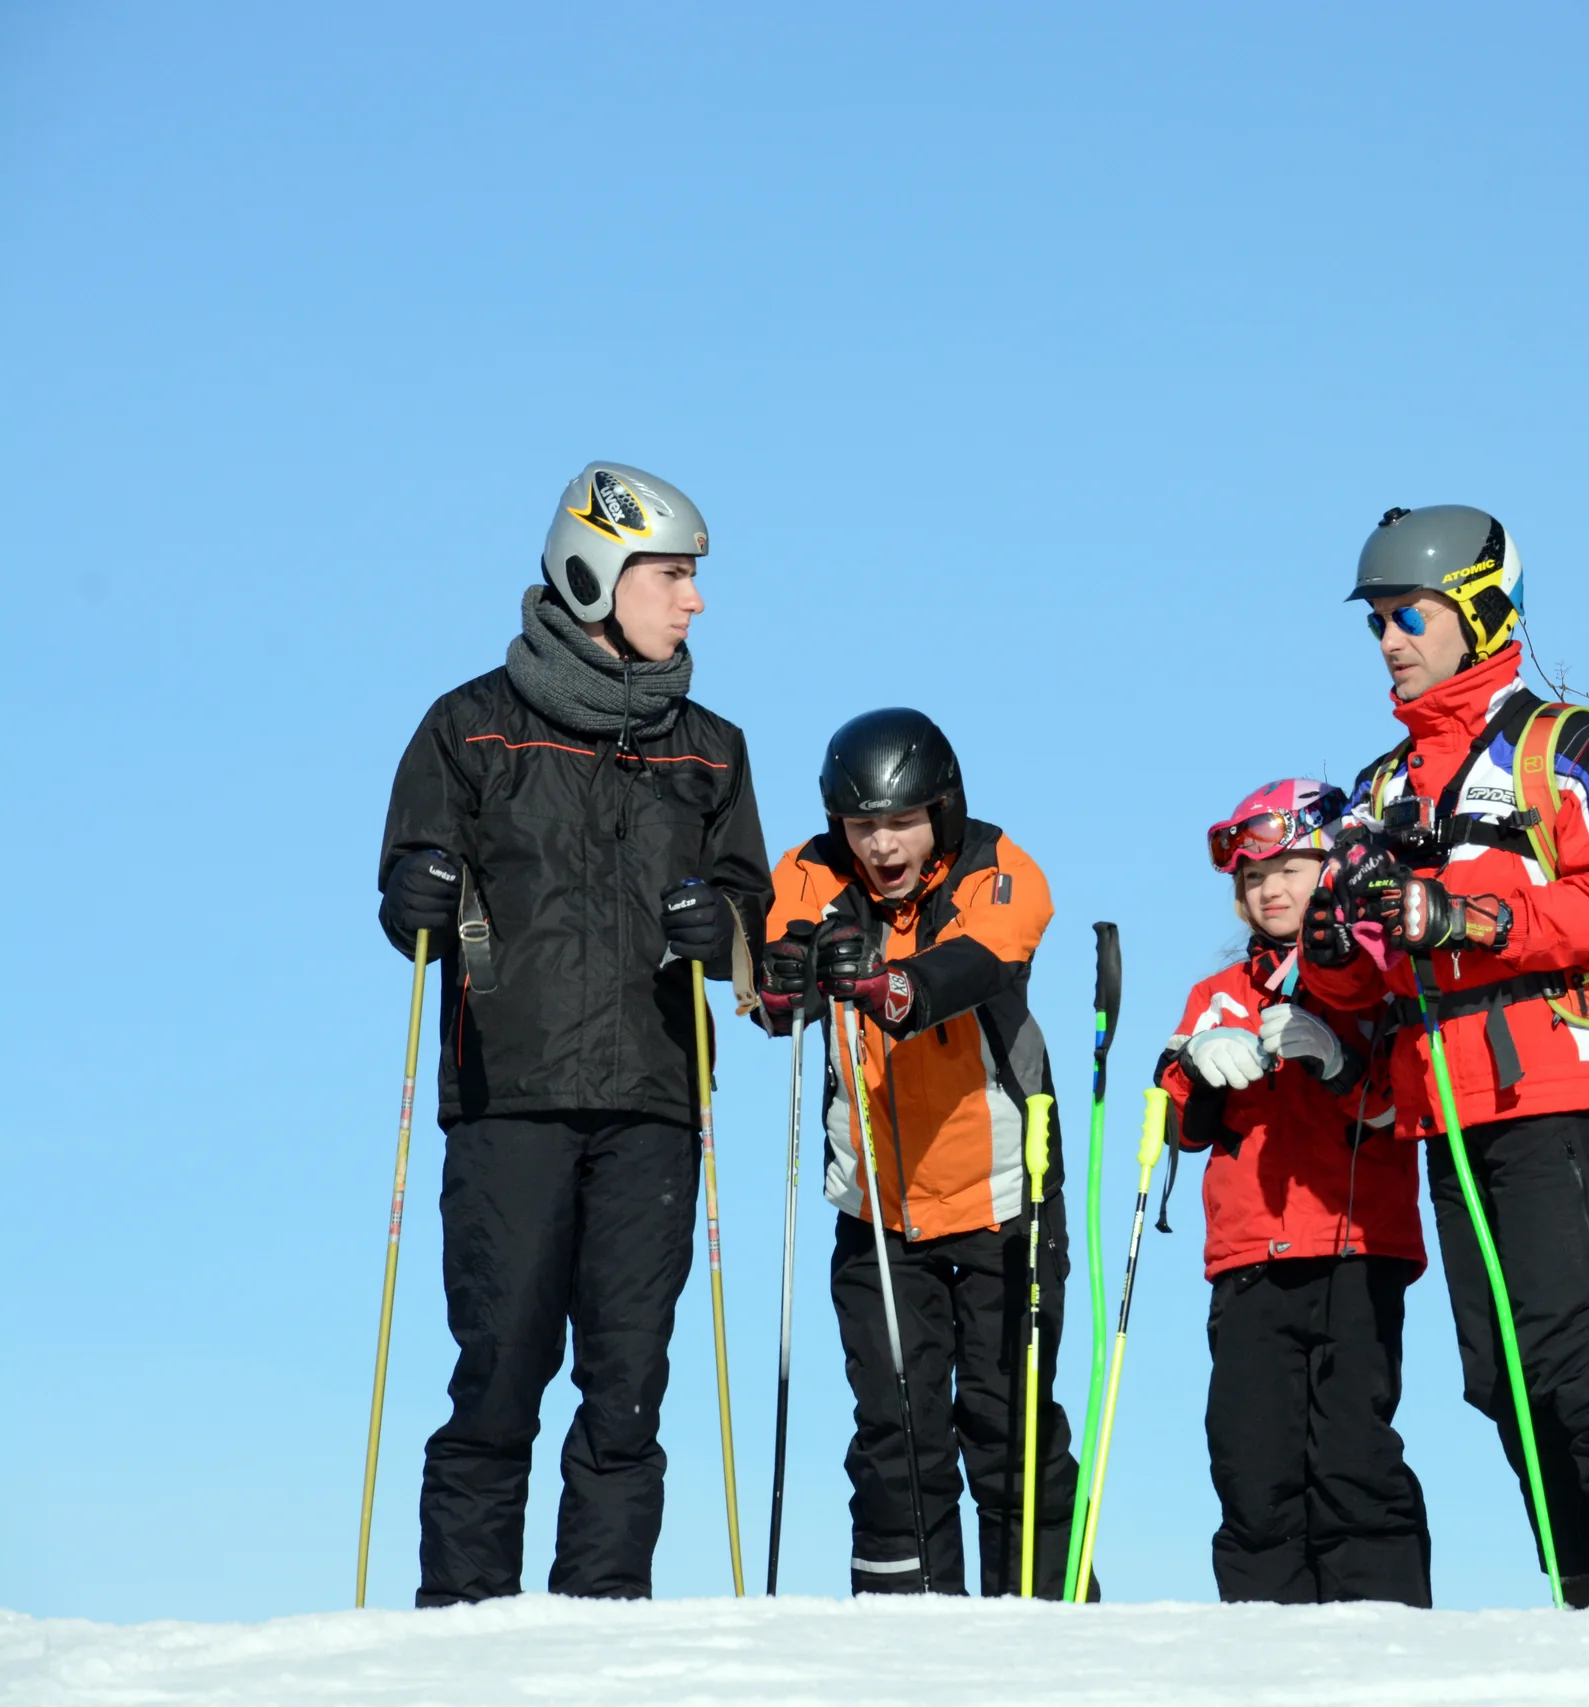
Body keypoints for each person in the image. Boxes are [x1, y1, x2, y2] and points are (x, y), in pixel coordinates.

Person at [1296, 505, 1589, 1609]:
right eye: (1376, 623)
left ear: (1481, 609)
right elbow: (1355, 986)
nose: (1389, 640)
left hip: (1553, 1071)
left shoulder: (1575, 747)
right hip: (1440, 1095)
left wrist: (1470, 915)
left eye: (1408, 615)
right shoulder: (1382, 785)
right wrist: (1336, 937)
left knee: (1557, 1326)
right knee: (1494, 1373)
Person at [377, 462, 771, 1605]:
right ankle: (463, 1629)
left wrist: (724, 927)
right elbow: (409, 877)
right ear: (594, 575)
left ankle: (600, 1630)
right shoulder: (469, 727)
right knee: (499, 1372)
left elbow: (756, 933)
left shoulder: (712, 747)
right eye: (673, 575)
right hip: (512, 1096)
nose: (693, 601)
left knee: (630, 1384)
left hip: (652, 1104)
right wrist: (418, 891)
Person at [752, 707, 1087, 1596]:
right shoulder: (810, 870)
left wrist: (893, 985)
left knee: (1006, 1421)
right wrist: (780, 977)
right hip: (878, 1207)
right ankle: (901, 1638)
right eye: (863, 825)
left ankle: (1050, 1627)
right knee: (896, 1433)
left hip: (1004, 1193)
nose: (883, 846)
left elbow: (982, 959)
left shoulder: (997, 865)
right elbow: (776, 963)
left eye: (901, 821)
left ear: (942, 809)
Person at [1156, 779, 1432, 1605]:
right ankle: (1263, 1653)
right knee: (1251, 1460)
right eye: (1251, 877)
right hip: (1249, 1262)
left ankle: (1384, 1640)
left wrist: (1340, 1061)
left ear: (1333, 867)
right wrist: (1195, 1072)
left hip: (1355, 1249)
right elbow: (1178, 1122)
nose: (1269, 889)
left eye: (1288, 868)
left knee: (1352, 1457)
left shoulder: (1373, 982)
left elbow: (1401, 1106)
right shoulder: (1218, 995)